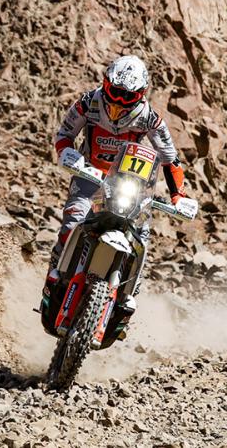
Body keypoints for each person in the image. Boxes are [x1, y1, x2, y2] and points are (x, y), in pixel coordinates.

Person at [42, 55, 198, 335]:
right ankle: (55, 276)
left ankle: (126, 298)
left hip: (128, 185)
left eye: (128, 96)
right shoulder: (88, 102)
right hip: (90, 176)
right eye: (114, 91)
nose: (118, 101)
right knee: (73, 220)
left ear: (141, 94)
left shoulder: (150, 118)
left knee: (142, 238)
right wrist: (66, 152)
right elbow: (64, 133)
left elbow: (170, 159)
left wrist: (179, 196)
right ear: (106, 83)